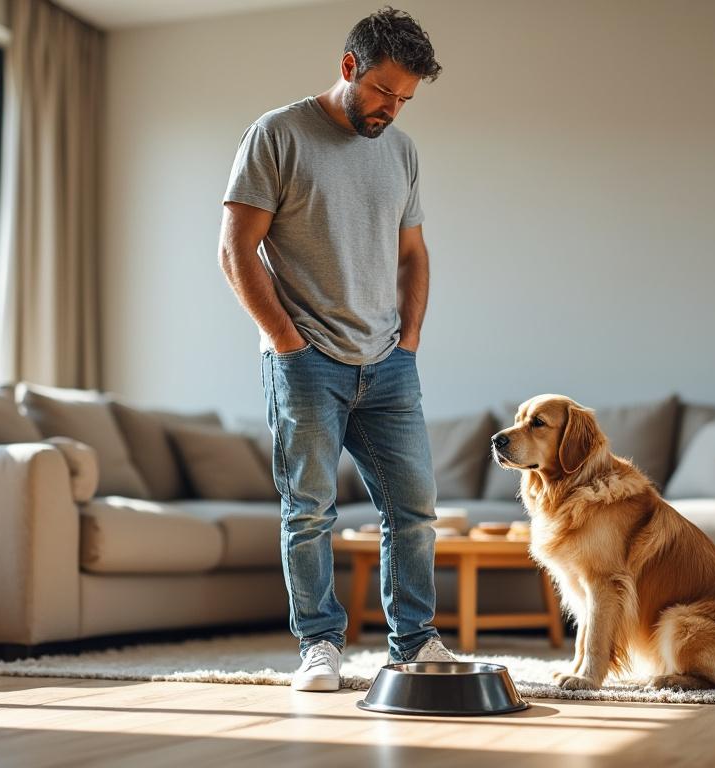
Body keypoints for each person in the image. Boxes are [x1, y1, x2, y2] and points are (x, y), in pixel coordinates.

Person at [217, 7, 452, 692]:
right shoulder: (278, 134)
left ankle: (415, 643)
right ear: (348, 67)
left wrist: (408, 342)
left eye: (405, 98)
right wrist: (287, 344)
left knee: (413, 508)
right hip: (305, 361)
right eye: (382, 91)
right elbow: (236, 250)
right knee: (310, 509)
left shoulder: (401, 150)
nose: (391, 108)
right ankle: (319, 646)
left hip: (388, 365)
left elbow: (413, 254)